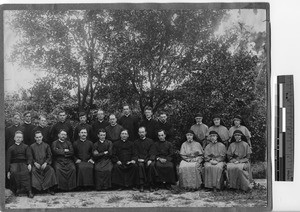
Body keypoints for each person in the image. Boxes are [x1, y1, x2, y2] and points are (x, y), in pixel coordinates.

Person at [6, 131, 34, 198]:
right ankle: (15, 190)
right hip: (14, 164)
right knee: (14, 172)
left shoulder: (26, 147)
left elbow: (29, 157)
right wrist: (8, 171)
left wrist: (29, 164)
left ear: (22, 139)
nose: (18, 138)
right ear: (14, 138)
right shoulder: (11, 148)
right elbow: (8, 160)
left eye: (20, 137)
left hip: (23, 163)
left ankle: (29, 191)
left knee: (25, 173)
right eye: (17, 137)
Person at [30, 131, 57, 195]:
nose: (38, 138)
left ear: (42, 137)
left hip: (45, 164)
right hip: (36, 165)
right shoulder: (32, 146)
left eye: (40, 137)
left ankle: (49, 188)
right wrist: (35, 163)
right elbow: (30, 157)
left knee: (51, 170)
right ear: (35, 138)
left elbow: (49, 155)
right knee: (33, 171)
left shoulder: (46, 145)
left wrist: (46, 163)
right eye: (37, 137)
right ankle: (36, 189)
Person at [133, 126, 154, 192]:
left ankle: (150, 185)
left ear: (145, 133)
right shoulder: (135, 142)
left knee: (151, 165)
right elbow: (135, 153)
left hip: (148, 159)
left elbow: (152, 152)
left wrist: (150, 159)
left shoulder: (150, 141)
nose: (141, 133)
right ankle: (141, 185)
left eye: (143, 132)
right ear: (138, 133)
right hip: (139, 160)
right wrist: (138, 159)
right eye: (140, 132)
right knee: (140, 165)